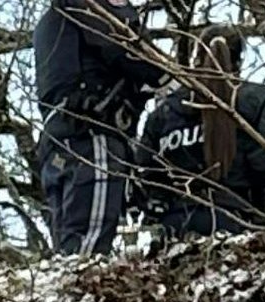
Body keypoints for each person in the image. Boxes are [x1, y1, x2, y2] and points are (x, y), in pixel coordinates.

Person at [34, 0, 166, 251]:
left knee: (68, 243)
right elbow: (127, 49)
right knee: (90, 242)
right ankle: (81, 287)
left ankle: (68, 285)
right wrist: (165, 73)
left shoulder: (51, 22)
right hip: (92, 134)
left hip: (58, 139)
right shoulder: (89, 8)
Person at [138, 33, 265, 236]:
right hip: (238, 220)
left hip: (176, 223)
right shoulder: (255, 99)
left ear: (196, 59)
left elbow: (146, 170)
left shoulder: (166, 110)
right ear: (238, 61)